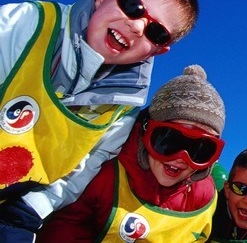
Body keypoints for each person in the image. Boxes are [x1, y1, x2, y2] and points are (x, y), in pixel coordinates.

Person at [0, 0, 199, 241]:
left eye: (156, 32)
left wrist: (30, 209)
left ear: (157, 50)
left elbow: (85, 167)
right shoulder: (26, 26)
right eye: (132, 5)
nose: (137, 26)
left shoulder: (123, 107)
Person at [36, 64, 225, 242]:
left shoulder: (205, 197)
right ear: (145, 132)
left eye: (201, 150)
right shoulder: (105, 173)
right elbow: (68, 224)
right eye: (168, 140)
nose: (181, 158)